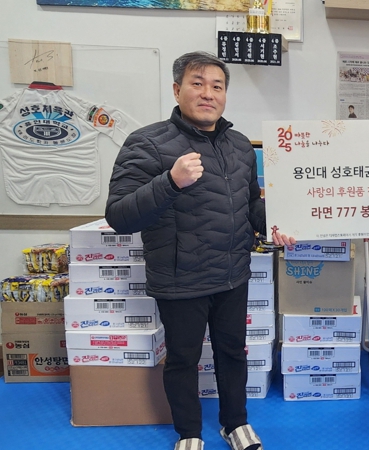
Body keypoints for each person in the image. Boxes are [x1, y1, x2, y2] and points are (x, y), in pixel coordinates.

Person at [105, 51, 294, 450]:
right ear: (177, 90)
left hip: (232, 272)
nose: (208, 93)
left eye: (217, 86)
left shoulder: (240, 146)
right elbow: (119, 216)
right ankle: (189, 432)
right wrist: (170, 181)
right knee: (183, 359)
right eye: (197, 83)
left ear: (225, 94)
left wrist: (279, 224)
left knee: (232, 352)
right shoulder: (146, 143)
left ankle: (235, 423)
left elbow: (251, 206)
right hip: (179, 277)